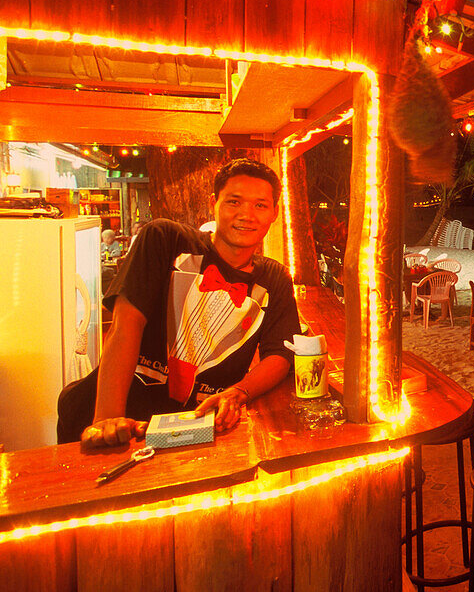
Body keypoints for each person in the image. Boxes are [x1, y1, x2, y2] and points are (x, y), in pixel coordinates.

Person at [58, 158, 300, 449]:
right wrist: (107, 418)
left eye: (260, 205)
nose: (246, 215)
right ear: (214, 203)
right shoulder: (165, 239)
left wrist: (237, 393)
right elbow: (126, 323)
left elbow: (280, 354)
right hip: (120, 423)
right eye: (234, 202)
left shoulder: (274, 278)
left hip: (193, 430)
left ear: (275, 212)